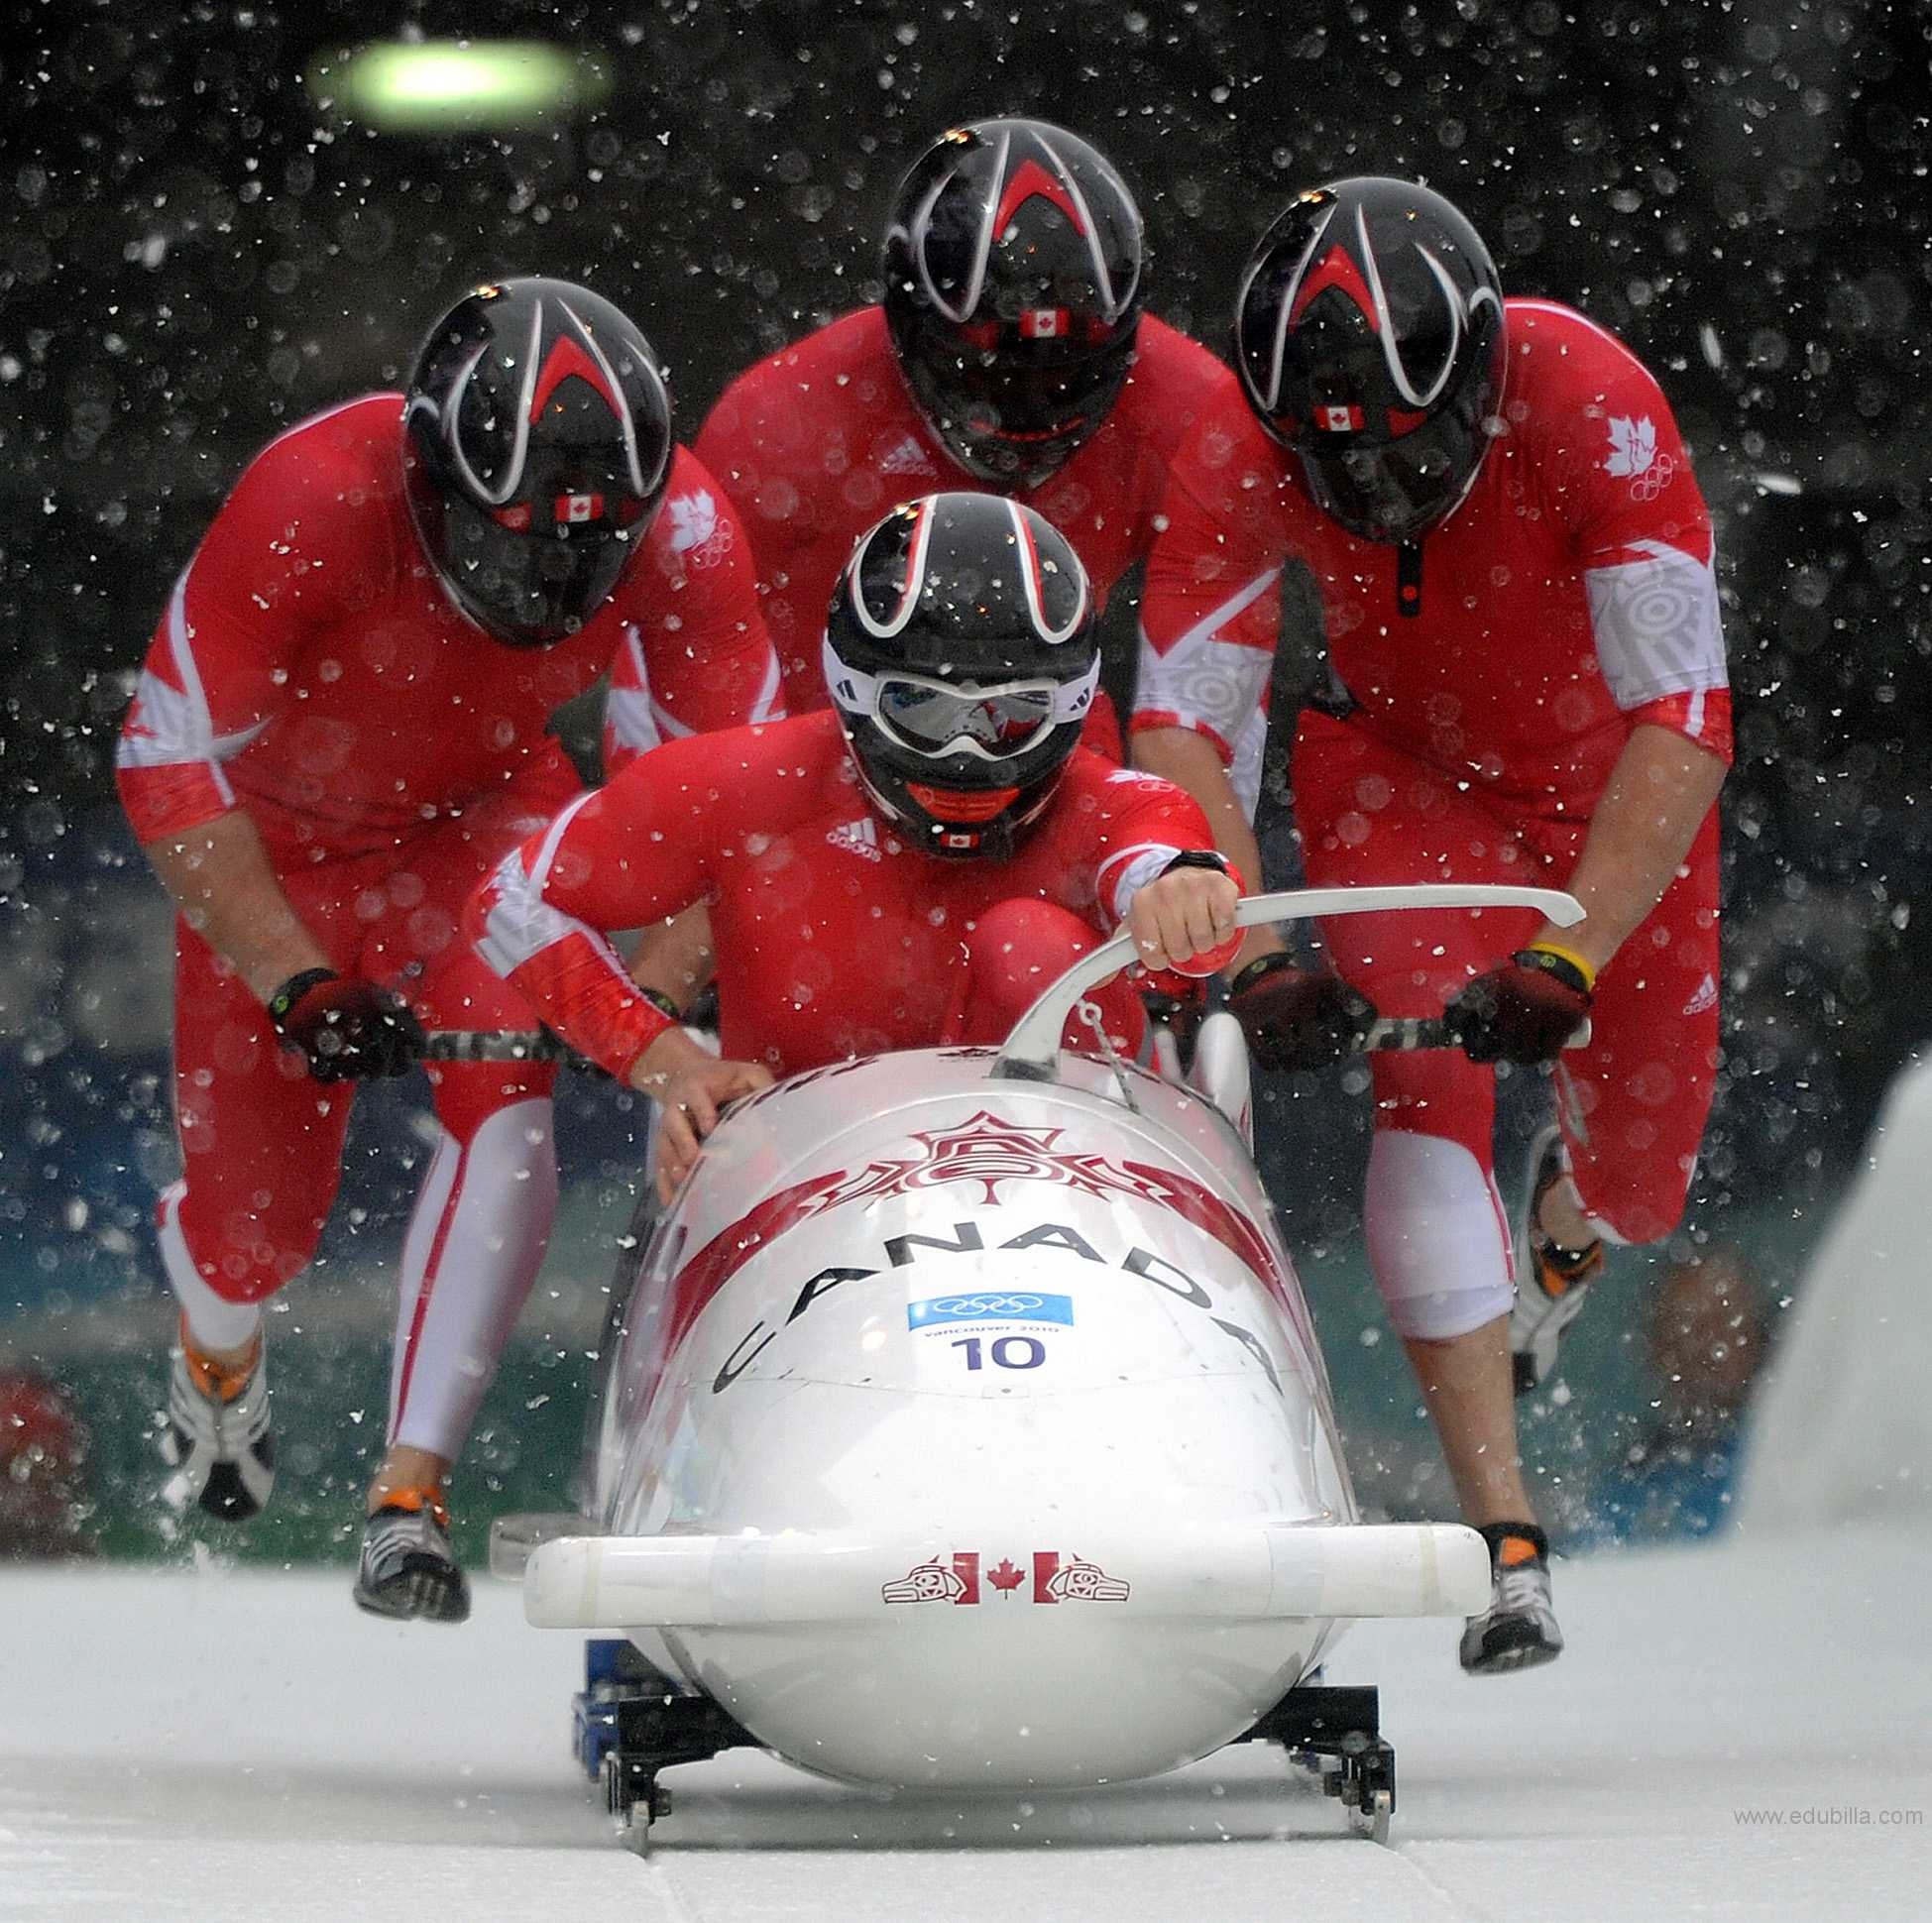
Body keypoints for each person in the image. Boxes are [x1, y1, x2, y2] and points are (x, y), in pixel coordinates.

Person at [115, 277, 781, 1623]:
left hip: (486, 821)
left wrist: (648, 994)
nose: (546, 589)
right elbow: (167, 762)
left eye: (581, 561)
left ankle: (407, 1497)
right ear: (433, 488)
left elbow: (743, 797)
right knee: (255, 1240)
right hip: (278, 851)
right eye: (514, 547)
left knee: (510, 1111)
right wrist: (291, 980)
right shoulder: (312, 498)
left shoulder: (688, 522)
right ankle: (219, 1348)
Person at [1132, 178, 1730, 1670]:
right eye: (1344, 467)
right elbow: (1183, 727)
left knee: (1643, 1185)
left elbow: (1685, 716)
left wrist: (1574, 946)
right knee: (1427, 1084)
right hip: (1404, 776)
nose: (1382, 492)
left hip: (1612, 792)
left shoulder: (1590, 395)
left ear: (1476, 384)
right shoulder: (1237, 449)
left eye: (1414, 456)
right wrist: (1252, 950)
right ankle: (1501, 1538)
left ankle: (1564, 1239)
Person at [466, 492, 1243, 1191]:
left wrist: (1182, 891)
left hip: (1071, 1186)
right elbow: (511, 901)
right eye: (919, 707)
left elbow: (1160, 860)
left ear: (1071, 704)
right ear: (851, 690)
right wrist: (672, 1066)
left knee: (1028, 946)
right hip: (803, 1178)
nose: (964, 751)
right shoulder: (742, 785)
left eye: (1011, 713)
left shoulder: (1116, 806)